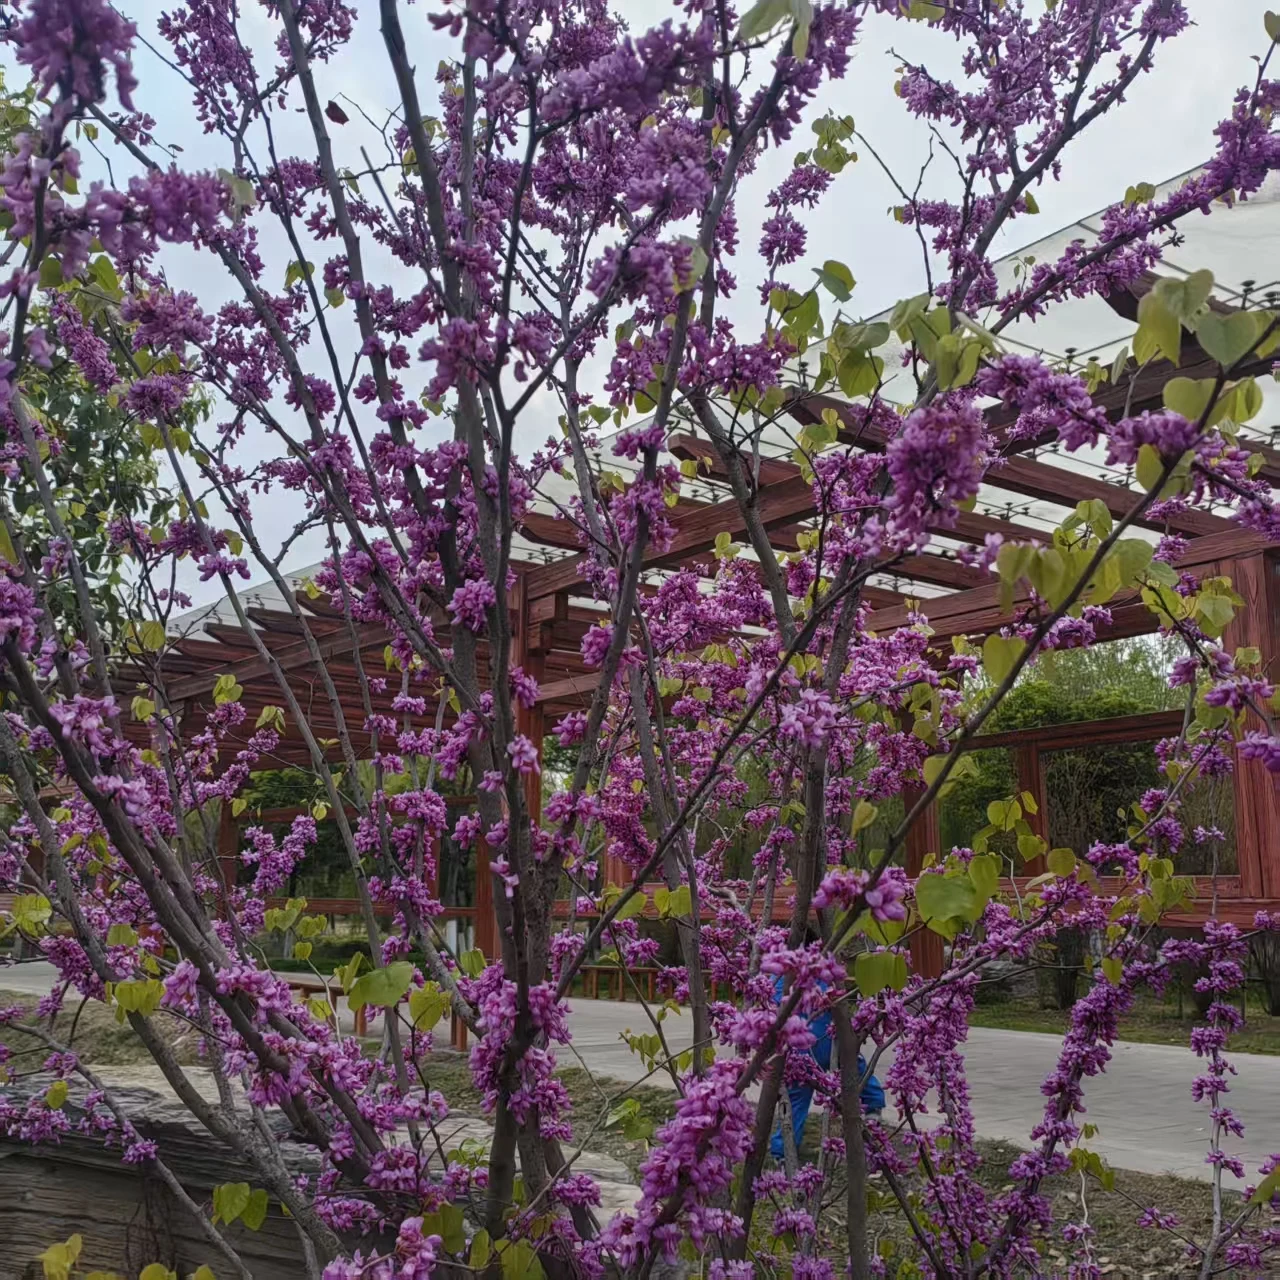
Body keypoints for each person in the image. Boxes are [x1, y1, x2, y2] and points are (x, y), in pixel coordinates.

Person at [769, 940, 885, 1162]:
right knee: (856, 1068)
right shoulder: (824, 975)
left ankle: (782, 1152)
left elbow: (774, 1011)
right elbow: (838, 1005)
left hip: (798, 1053)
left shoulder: (779, 979)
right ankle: (873, 1106)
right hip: (828, 1043)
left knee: (795, 1103)